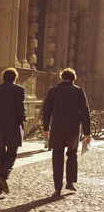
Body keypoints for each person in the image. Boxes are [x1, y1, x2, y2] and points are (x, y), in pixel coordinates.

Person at [42, 68, 91, 197]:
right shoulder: (79, 91)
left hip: (57, 129)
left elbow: (46, 110)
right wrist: (87, 132)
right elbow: (85, 112)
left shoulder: (53, 91)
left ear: (61, 78)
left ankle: (57, 187)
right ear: (74, 79)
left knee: (57, 156)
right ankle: (70, 183)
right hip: (73, 129)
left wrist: (45, 128)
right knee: (72, 155)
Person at [0, 67, 27, 194]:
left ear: (3, 77)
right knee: (12, 154)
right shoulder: (19, 89)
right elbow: (21, 107)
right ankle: (3, 176)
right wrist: (24, 118)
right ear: (15, 77)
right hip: (13, 126)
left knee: (0, 156)